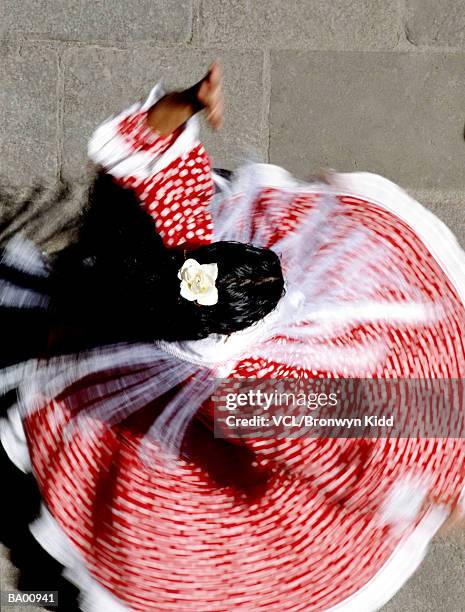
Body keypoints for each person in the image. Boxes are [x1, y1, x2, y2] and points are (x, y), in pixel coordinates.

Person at [0, 61, 464, 612]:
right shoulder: (251, 394)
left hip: (135, 330)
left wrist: (185, 101)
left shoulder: (181, 252)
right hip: (198, 417)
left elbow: (149, 147)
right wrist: (426, 494)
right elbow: (333, 458)